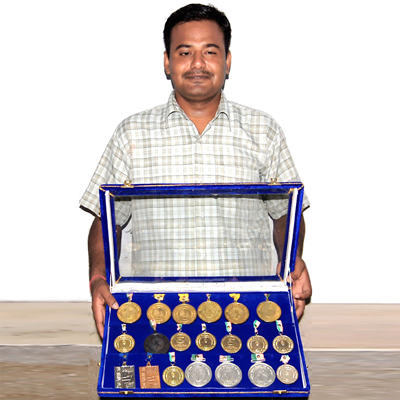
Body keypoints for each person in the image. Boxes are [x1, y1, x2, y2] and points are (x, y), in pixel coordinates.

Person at [80, 4, 312, 338]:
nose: (198, 64)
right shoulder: (132, 133)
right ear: (167, 62)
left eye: (210, 51)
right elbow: (105, 220)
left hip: (249, 313)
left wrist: (291, 262)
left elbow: (285, 213)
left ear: (227, 61)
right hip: (154, 315)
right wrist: (98, 279)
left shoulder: (264, 130)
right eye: (185, 52)